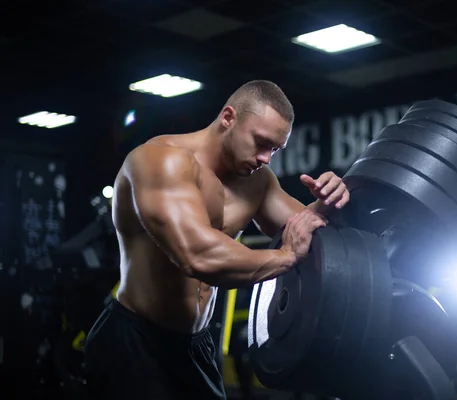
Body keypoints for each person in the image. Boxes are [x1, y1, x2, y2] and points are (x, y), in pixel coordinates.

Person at [83, 80, 350, 400]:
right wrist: (285, 257)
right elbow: (197, 256)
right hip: (137, 340)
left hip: (197, 343)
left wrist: (330, 203)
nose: (266, 158)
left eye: (275, 150)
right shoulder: (162, 162)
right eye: (261, 142)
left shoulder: (257, 182)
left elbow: (307, 233)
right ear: (228, 118)